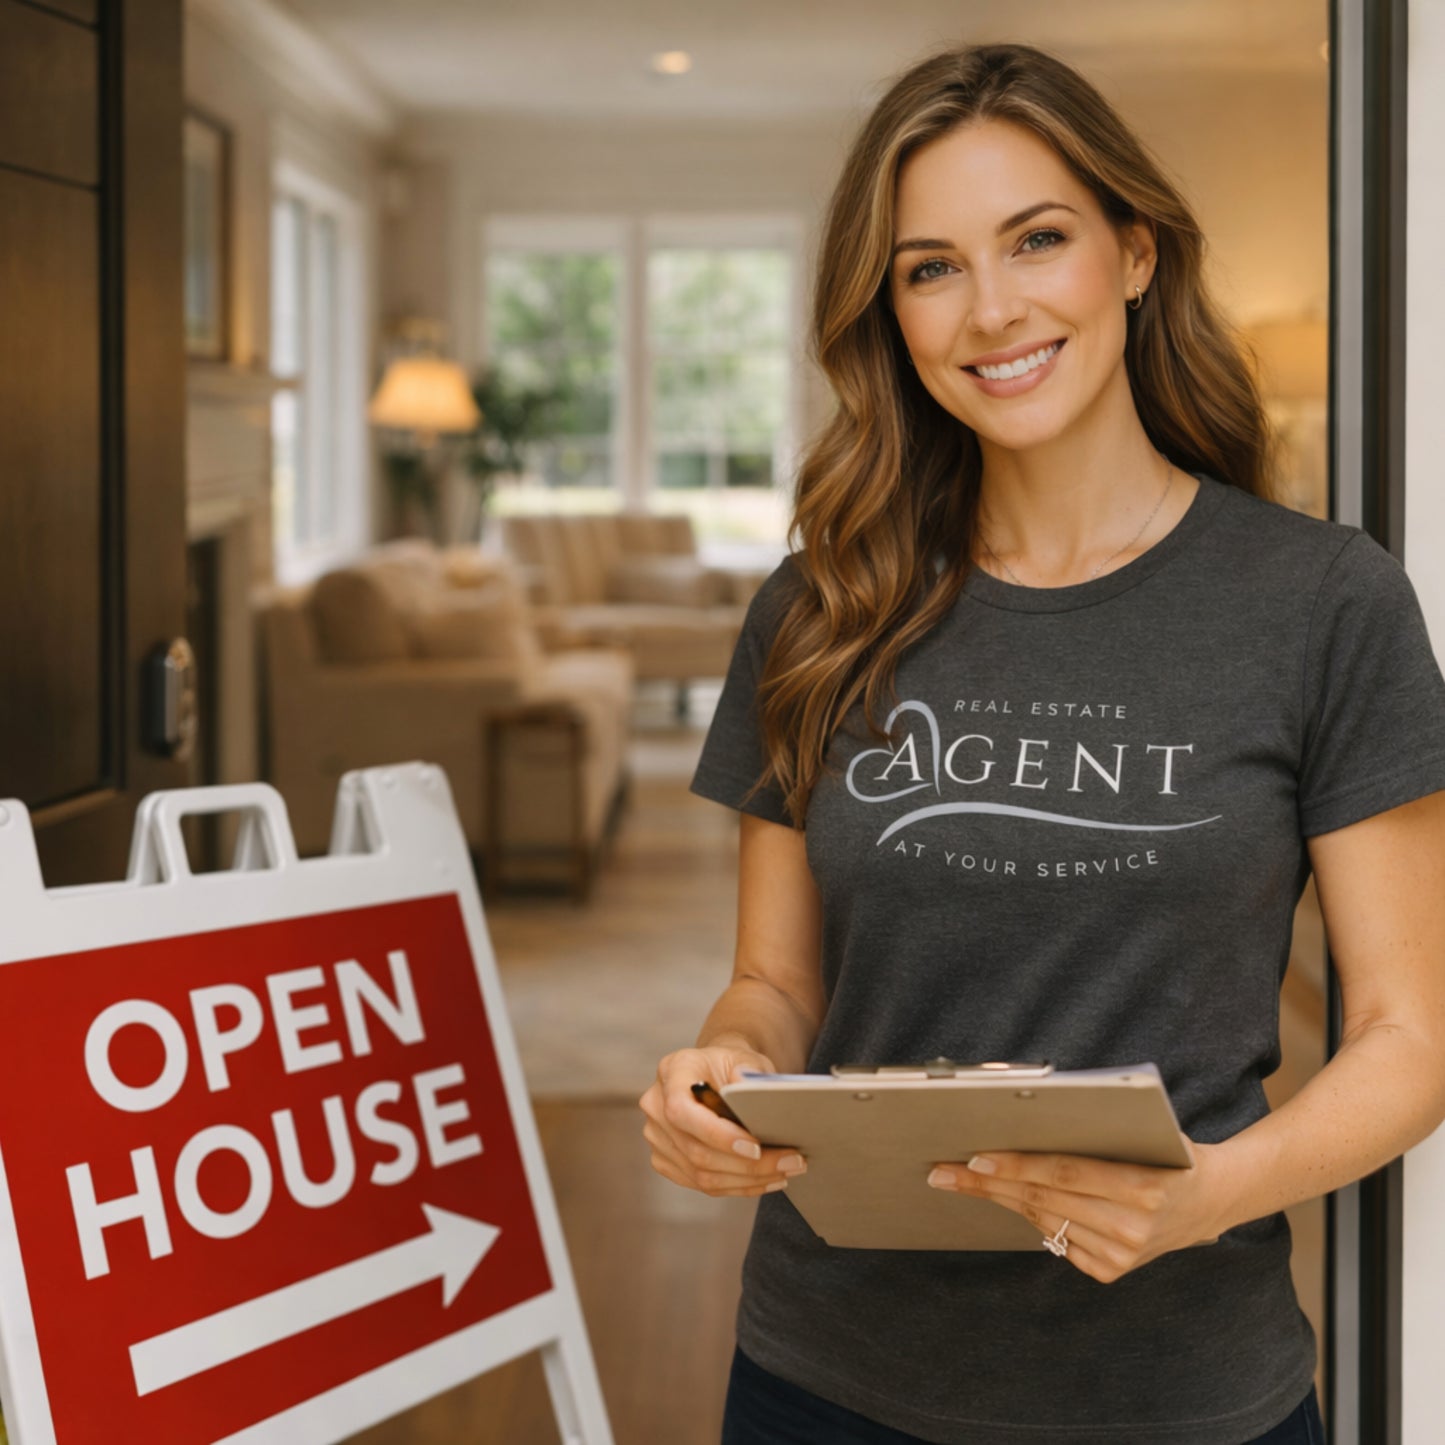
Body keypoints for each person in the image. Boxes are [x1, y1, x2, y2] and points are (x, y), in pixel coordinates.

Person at [638, 40, 1445, 1445]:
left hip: (1181, 1394)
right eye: (930, 266)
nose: (989, 308)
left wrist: (1209, 1189)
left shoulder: (1322, 600)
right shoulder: (820, 605)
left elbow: (1405, 1039)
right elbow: (771, 983)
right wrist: (716, 1078)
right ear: (886, 310)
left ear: (1132, 254)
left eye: (1037, 239)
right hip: (824, 1380)